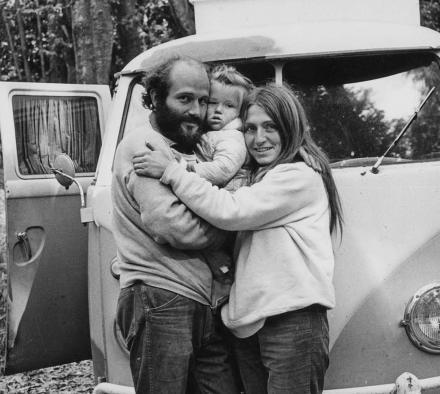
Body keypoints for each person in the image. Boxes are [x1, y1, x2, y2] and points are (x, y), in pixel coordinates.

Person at [132, 84, 343, 393]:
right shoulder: (260, 177)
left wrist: (174, 171)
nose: (259, 139)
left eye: (271, 127)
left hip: (290, 321)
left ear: (291, 127)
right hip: (253, 323)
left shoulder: (298, 176)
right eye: (250, 128)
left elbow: (230, 210)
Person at [111, 55, 239, 394]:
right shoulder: (145, 146)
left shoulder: (197, 147)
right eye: (184, 99)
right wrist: (235, 223)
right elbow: (173, 227)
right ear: (155, 98)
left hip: (202, 301)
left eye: (202, 100)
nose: (196, 110)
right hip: (160, 297)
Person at [191, 64, 252, 192]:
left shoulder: (233, 138)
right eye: (212, 102)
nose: (218, 110)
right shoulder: (209, 132)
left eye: (229, 105)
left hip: (228, 196)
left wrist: (187, 169)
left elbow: (222, 170)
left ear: (240, 112)